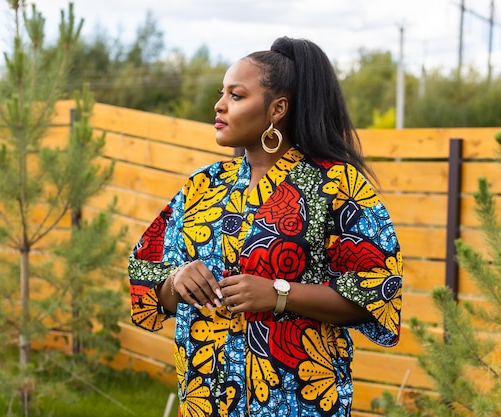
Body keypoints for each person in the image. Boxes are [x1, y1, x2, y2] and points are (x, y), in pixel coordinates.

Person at [128, 36, 402, 417]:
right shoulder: (201, 187)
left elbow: (377, 291)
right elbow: (150, 285)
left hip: (297, 399)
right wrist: (176, 280)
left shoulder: (337, 186)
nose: (219, 105)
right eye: (221, 93)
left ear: (277, 109)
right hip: (204, 399)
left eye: (236, 96)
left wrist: (279, 294)